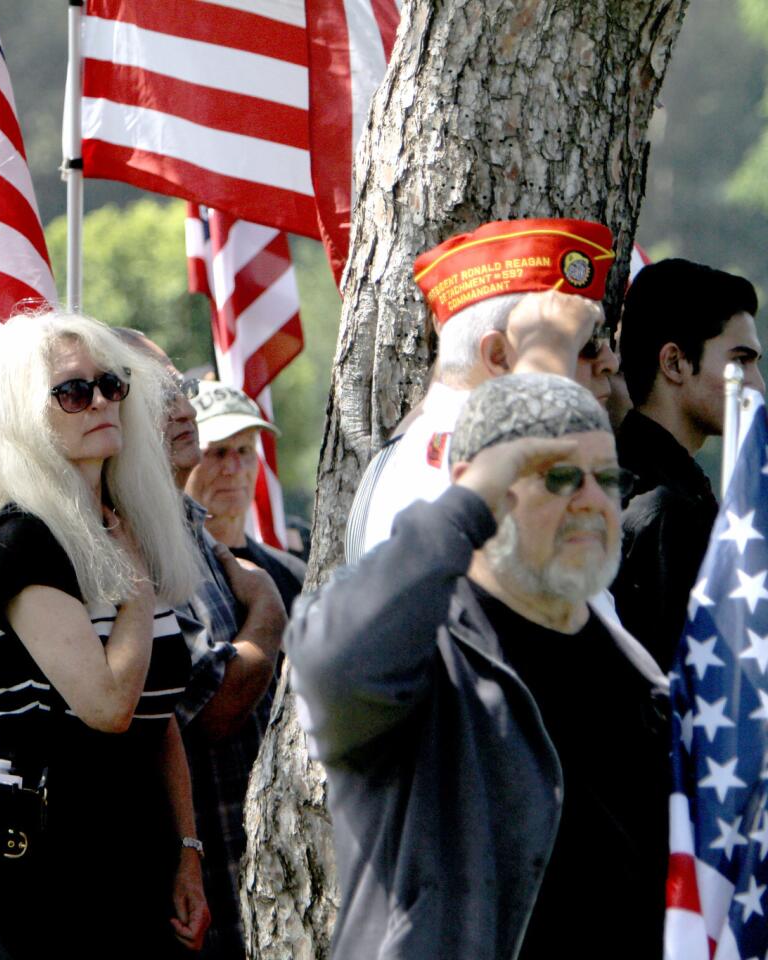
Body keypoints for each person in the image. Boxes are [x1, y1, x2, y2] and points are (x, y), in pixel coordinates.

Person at [292, 373, 667, 960]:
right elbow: (333, 666)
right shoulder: (424, 656)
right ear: (483, 493)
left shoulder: (637, 675)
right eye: (561, 476)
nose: (594, 500)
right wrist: (466, 503)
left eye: (608, 478)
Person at [0, 309, 210, 957]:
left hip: (141, 859)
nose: (101, 401)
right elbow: (108, 705)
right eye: (73, 390)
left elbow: (156, 716)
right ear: (30, 417)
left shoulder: (126, 530)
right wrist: (138, 594)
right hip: (52, 869)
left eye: (111, 384)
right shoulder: (20, 539)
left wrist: (188, 850)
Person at [117, 329, 288, 960]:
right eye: (161, 395)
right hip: (192, 883)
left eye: (182, 389)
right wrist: (268, 609)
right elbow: (215, 705)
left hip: (246, 864)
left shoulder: (187, 529)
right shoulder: (135, 538)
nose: (184, 407)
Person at [345, 217, 620, 562]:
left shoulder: (427, 440)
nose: (610, 361)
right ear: (499, 356)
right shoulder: (463, 459)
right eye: (580, 341)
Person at [612, 258, 764, 669]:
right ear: (675, 363)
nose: (757, 385)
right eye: (739, 361)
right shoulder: (662, 507)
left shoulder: (675, 489)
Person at [185, 381, 306, 605]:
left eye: (244, 450)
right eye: (217, 452)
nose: (234, 469)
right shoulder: (170, 578)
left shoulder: (293, 576)